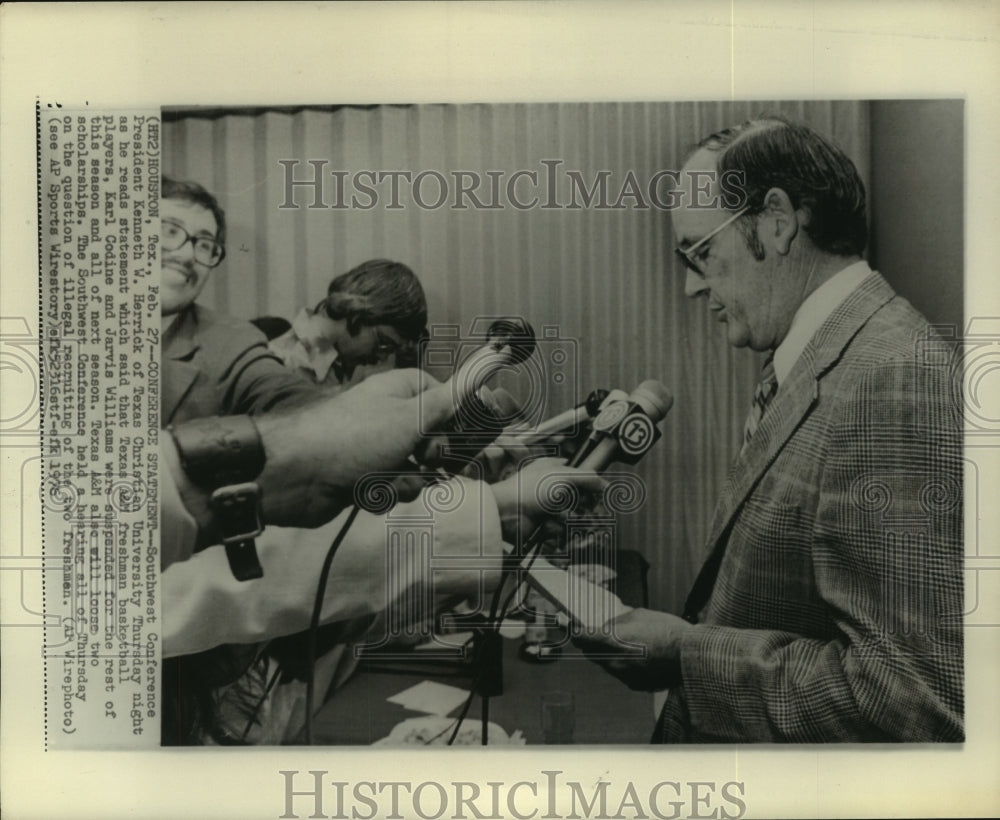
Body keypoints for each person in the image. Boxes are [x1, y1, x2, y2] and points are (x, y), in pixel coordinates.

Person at [575, 116, 963, 743]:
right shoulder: (817, 360)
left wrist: (687, 655)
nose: (691, 285)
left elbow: (914, 702)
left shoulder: (894, 379)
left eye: (701, 252)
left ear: (778, 220)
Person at [268, 259, 428, 387]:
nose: (381, 358)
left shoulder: (336, 361)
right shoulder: (285, 362)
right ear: (357, 316)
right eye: (384, 344)